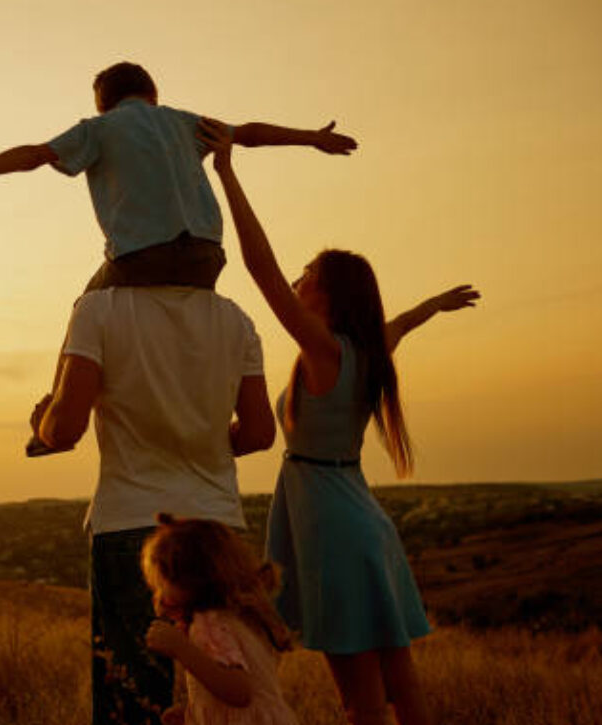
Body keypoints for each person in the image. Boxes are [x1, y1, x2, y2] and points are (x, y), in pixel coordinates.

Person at [198, 117, 479, 725]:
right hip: (360, 513)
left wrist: (227, 174)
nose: (297, 281)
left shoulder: (323, 348)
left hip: (329, 522)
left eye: (309, 277)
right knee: (400, 681)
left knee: (360, 700)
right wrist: (434, 304)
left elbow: (262, 268)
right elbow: (401, 322)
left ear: (325, 298)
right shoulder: (368, 350)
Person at [0, 61, 356, 454]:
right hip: (206, 258)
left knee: (84, 308)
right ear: (153, 93)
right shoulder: (182, 121)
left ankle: (54, 420)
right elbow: (250, 133)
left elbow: (36, 155)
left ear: (103, 102)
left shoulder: (98, 128)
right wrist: (312, 138)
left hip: (140, 258)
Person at [31, 281, 277, 725]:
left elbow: (64, 430)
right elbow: (259, 433)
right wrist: (198, 441)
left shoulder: (99, 308)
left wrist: (42, 423)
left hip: (134, 530)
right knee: (226, 695)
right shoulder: (234, 318)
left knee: (133, 701)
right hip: (218, 528)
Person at [142, 513, 299, 725]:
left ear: (189, 579)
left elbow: (239, 692)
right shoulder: (236, 617)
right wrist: (194, 711)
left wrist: (181, 649)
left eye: (162, 584)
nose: (157, 595)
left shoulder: (209, 626)